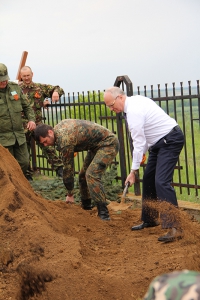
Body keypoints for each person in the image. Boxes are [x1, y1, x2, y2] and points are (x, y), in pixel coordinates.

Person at [104, 86, 184, 242]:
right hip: (157, 143)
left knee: (161, 182)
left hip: (170, 140)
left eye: (112, 105)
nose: (111, 109)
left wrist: (133, 171)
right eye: (108, 107)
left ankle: (176, 227)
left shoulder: (133, 111)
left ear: (120, 97)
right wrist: (142, 154)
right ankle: (150, 218)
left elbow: (138, 142)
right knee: (149, 179)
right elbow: (147, 131)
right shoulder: (133, 104)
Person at [34, 119, 119, 220]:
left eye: (45, 141)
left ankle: (104, 214)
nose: (45, 145)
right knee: (82, 176)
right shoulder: (58, 130)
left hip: (108, 144)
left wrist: (70, 193)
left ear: (50, 132)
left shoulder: (65, 140)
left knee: (91, 175)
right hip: (95, 147)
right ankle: (86, 206)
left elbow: (68, 169)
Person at [19, 66, 65, 180]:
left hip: (38, 125)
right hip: (22, 126)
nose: (26, 78)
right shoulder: (16, 89)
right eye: (24, 76)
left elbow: (58, 88)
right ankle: (27, 176)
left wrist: (55, 93)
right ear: (21, 76)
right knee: (24, 152)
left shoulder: (39, 88)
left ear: (32, 74)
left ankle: (60, 171)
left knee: (48, 148)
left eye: (28, 75)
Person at [0, 63, 36, 176]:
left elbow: (26, 107)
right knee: (7, 166)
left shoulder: (15, 88)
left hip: (18, 135)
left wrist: (31, 120)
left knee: (24, 162)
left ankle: (18, 185)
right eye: (1, 80)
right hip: (3, 138)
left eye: (5, 79)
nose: (3, 82)